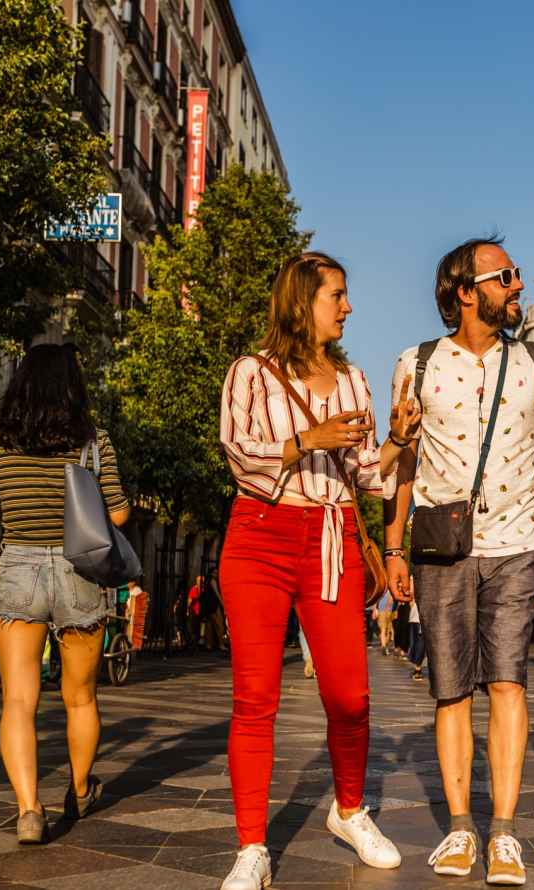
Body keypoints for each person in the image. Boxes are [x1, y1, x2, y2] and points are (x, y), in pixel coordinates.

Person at [216, 251, 422, 889]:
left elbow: (362, 475)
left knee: (352, 696)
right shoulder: (250, 372)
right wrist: (308, 439)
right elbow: (237, 453)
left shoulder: (356, 381)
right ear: (302, 300)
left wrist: (394, 440)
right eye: (337, 294)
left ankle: (349, 809)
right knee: (255, 699)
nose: (348, 306)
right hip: (259, 536)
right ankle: (252, 846)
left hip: (330, 537)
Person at [384, 236, 534, 886]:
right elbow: (404, 460)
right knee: (450, 691)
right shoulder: (414, 363)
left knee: (507, 682)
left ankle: (503, 833)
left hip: (519, 540)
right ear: (465, 291)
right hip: (443, 545)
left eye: (518, 274)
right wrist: (392, 545)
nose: (519, 285)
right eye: (506, 276)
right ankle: (461, 829)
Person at [0, 343, 128, 845]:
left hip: (17, 566)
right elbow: (119, 514)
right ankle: (79, 790)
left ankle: (29, 810)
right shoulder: (93, 442)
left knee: (18, 700)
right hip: (79, 570)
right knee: (80, 698)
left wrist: (1, 569)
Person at [407, 599, 426, 681]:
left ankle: (417, 668)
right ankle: (417, 668)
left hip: (418, 618)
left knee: (419, 643)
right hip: (416, 618)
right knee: (417, 643)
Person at [374, 590, 396, 656]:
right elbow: (377, 600)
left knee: (386, 631)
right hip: (386, 611)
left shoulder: (385, 587)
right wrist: (375, 610)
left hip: (387, 611)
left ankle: (384, 646)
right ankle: (384, 646)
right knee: (385, 630)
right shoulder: (384, 588)